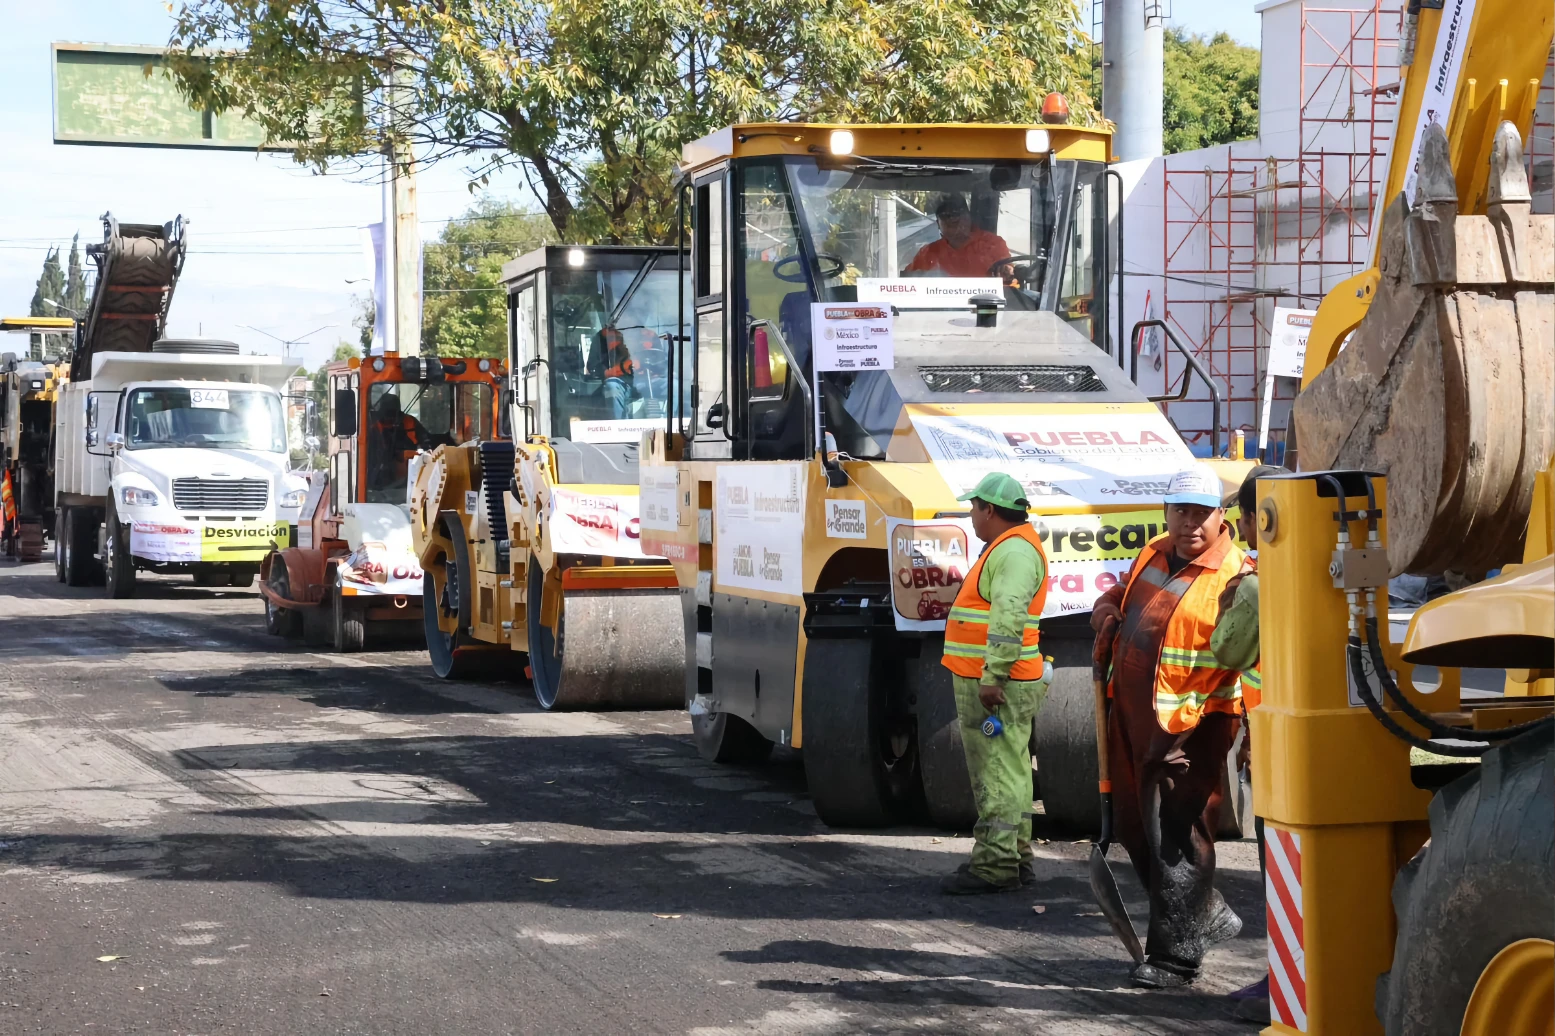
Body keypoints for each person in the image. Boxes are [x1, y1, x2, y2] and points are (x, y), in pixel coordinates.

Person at [1089, 464, 1247, 987]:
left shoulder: (1235, 575)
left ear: (1220, 516)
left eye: (1202, 513)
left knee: (1177, 833)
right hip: (1135, 715)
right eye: (1182, 511)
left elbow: (1242, 660)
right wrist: (1106, 608)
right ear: (1166, 512)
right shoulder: (1153, 553)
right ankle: (1204, 912)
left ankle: (1175, 958)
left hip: (1193, 727)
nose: (1190, 523)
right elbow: (1122, 593)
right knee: (1135, 826)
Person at [939, 472, 1052, 894]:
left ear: (989, 510)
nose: (971, 515)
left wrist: (993, 676)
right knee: (1012, 770)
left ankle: (995, 865)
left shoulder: (1014, 552)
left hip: (996, 687)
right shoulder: (1011, 547)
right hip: (1003, 682)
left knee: (997, 773)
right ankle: (1015, 857)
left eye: (974, 507)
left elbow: (1008, 617)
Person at [1211, 464, 1286, 1022]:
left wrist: (1229, 604)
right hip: (1303, 741)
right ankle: (1283, 976)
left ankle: (1287, 983)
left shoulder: (1258, 584)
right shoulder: (1332, 566)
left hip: (1282, 750)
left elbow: (1228, 650)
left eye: (1243, 516)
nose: (1238, 527)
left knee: (1281, 871)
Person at [905, 194, 1013, 279]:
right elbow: (908, 285)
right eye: (945, 215)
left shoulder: (992, 244)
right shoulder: (927, 253)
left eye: (956, 212)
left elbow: (1007, 277)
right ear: (938, 223)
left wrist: (1006, 270)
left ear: (969, 216)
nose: (952, 218)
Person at [368, 392, 431, 493]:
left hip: (412, 473)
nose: (391, 418)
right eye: (388, 413)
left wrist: (421, 453)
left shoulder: (410, 421)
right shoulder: (373, 426)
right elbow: (371, 455)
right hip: (382, 477)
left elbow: (426, 442)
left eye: (394, 413)